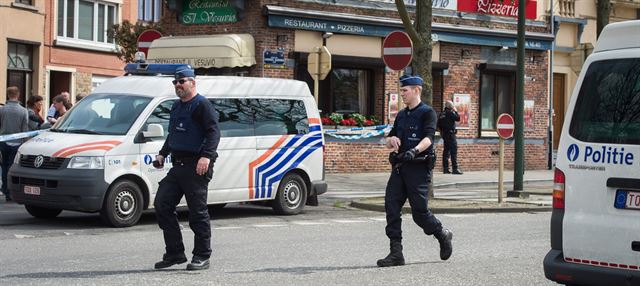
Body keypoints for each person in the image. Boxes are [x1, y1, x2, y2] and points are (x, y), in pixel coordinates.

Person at [377, 75, 453, 267]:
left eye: (405, 90)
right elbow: (389, 139)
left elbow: (429, 138)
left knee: (419, 213)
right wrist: (390, 141)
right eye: (401, 90)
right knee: (391, 207)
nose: (402, 93)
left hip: (418, 169)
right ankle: (396, 253)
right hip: (400, 168)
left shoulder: (428, 113)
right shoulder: (401, 115)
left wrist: (414, 150)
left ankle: (441, 234)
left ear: (417, 90)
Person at [153, 67, 220, 271]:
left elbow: (213, 132)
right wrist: (163, 153)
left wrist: (206, 156)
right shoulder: (176, 106)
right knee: (162, 204)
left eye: (182, 81)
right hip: (178, 165)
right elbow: (172, 134)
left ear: (192, 82)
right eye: (175, 82)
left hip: (196, 166)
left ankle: (202, 256)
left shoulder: (202, 105)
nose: (178, 85)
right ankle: (175, 253)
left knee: (197, 213)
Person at [0, 87, 29, 202]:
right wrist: (25, 144)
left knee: (4, 167)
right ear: (18, 95)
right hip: (17, 143)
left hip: (3, 142)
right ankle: (11, 191)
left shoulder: (2, 110)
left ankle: (5, 189)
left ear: (8, 95)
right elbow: (25, 129)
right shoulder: (23, 111)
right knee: (13, 167)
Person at [438, 100, 463, 175]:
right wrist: (455, 111)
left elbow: (438, 125)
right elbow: (458, 118)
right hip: (451, 135)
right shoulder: (450, 113)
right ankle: (455, 169)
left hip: (445, 135)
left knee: (446, 152)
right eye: (452, 105)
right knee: (453, 151)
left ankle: (445, 169)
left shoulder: (441, 114)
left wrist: (442, 133)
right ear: (450, 106)